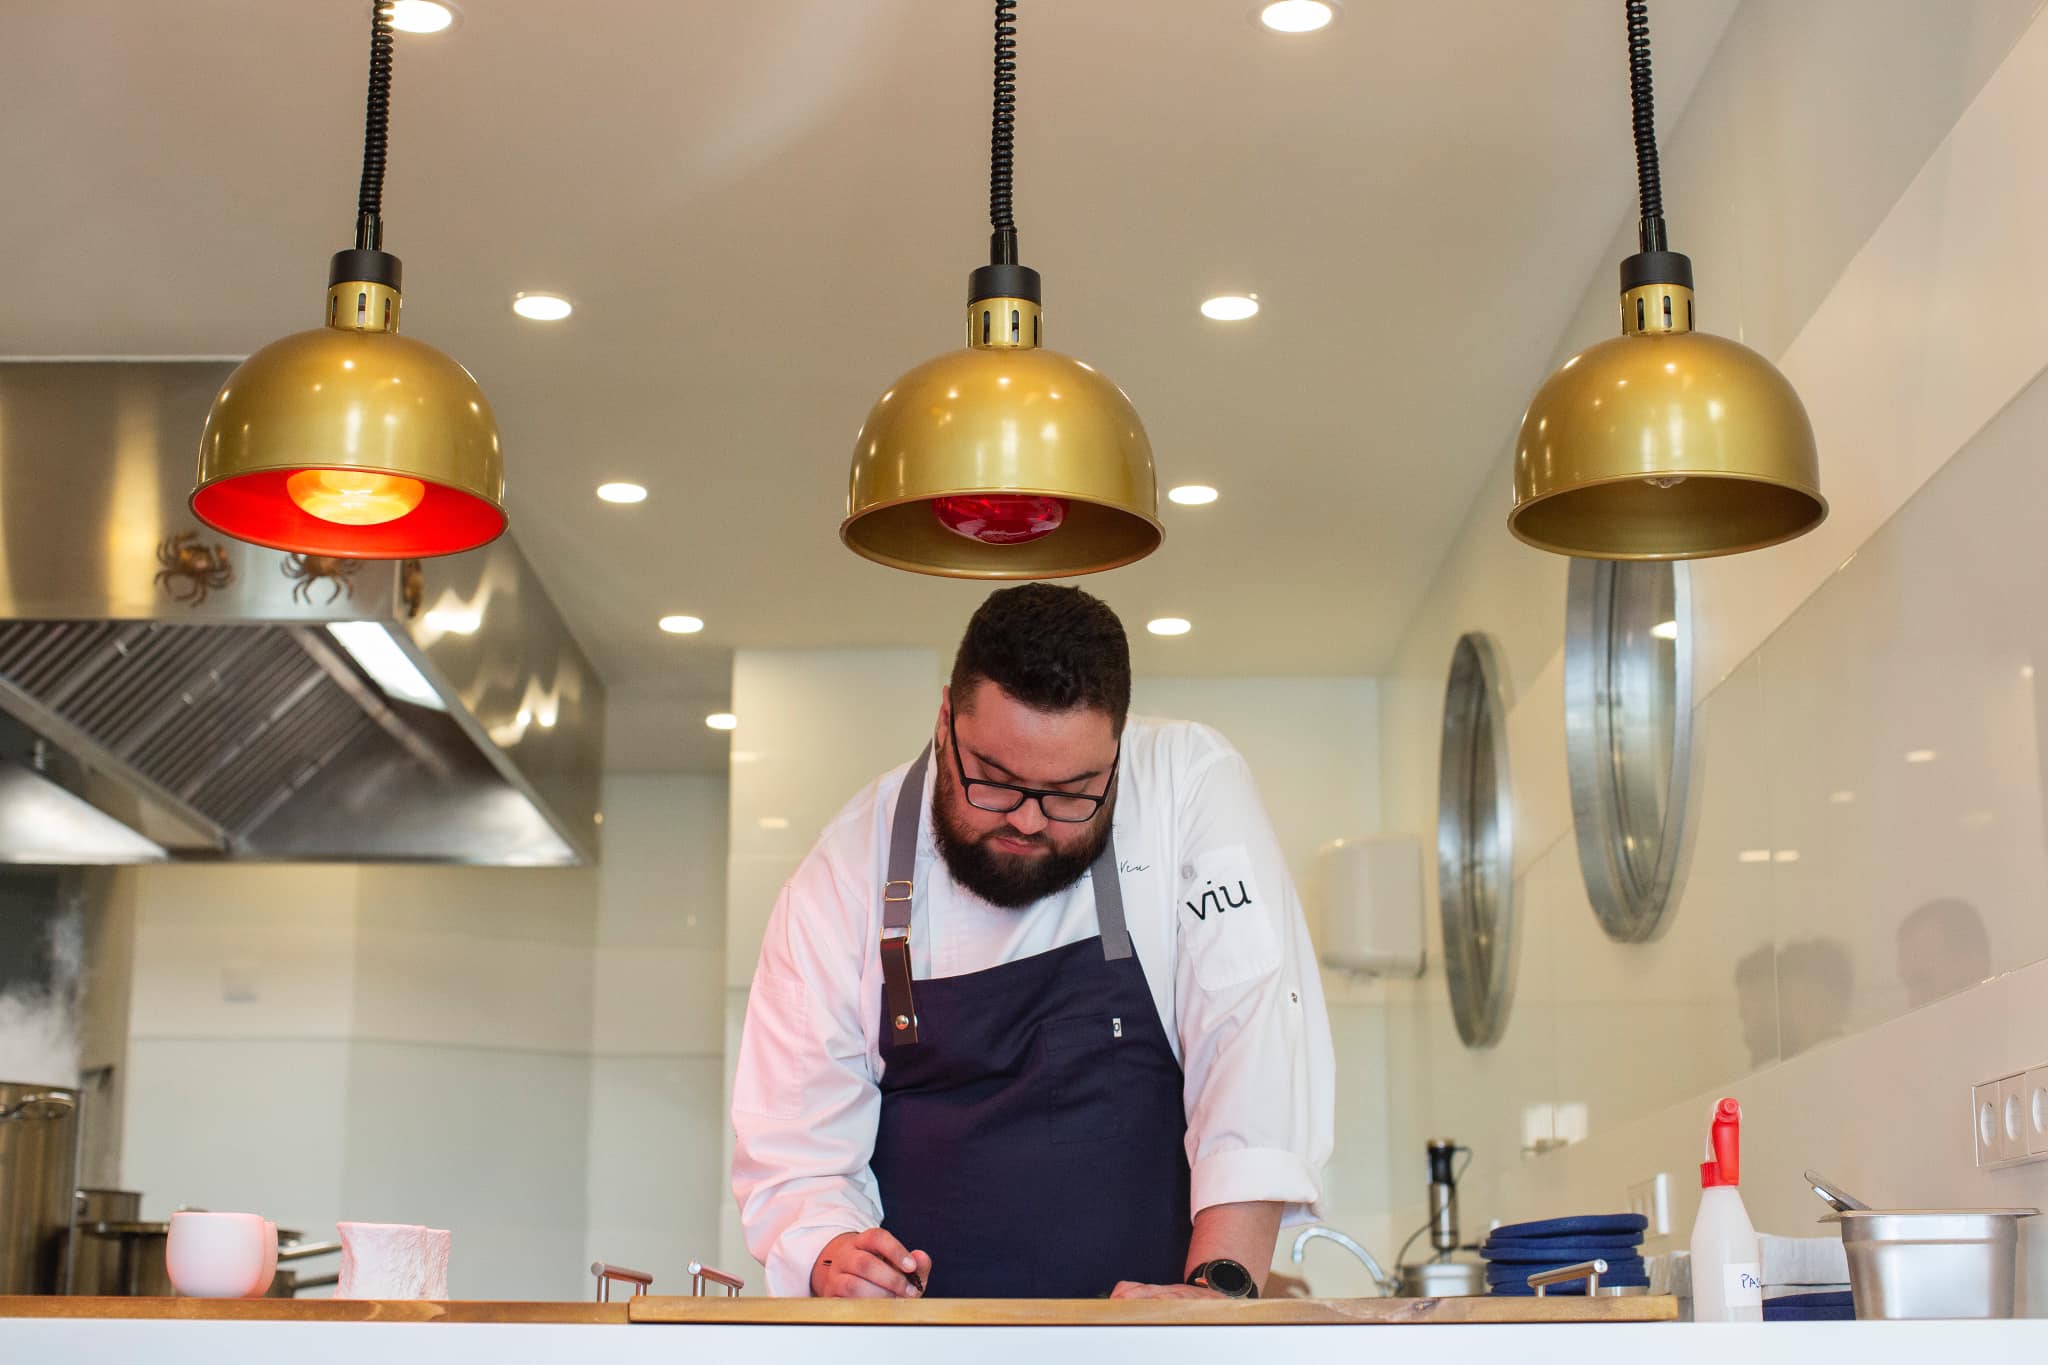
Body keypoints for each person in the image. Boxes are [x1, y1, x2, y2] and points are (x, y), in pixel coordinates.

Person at [731, 584, 1333, 1300]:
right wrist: (834, 1255)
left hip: (1151, 1352)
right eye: (994, 779)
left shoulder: (1186, 782)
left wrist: (1219, 1291)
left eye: (1073, 792)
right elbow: (795, 1153)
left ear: (1119, 748)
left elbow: (1253, 1048)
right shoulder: (843, 872)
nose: (1027, 819)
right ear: (945, 718)